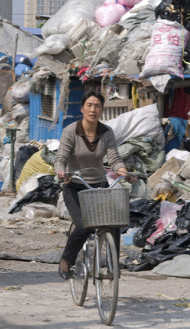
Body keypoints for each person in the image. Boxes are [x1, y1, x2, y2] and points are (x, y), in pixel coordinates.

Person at [54, 89, 128, 280]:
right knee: (84, 225)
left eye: (97, 106)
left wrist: (123, 171)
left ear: (101, 110)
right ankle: (66, 260)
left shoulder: (106, 132)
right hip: (75, 186)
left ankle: (113, 264)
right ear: (82, 109)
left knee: (114, 222)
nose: (93, 109)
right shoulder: (70, 131)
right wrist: (61, 170)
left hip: (99, 187)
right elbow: (61, 157)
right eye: (89, 105)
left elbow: (114, 159)